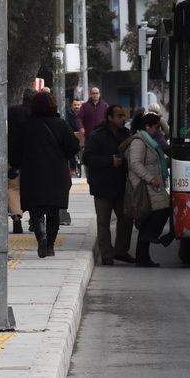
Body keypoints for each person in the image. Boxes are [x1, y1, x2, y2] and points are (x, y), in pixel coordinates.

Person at [13, 92, 79, 258]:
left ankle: (40, 237)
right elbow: (73, 147)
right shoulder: (61, 124)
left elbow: (15, 153)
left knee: (36, 210)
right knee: (53, 211)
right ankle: (50, 245)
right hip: (56, 174)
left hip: (32, 174)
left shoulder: (25, 126)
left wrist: (17, 165)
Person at [83, 105, 134, 265]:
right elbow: (88, 158)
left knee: (126, 218)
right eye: (119, 116)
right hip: (102, 186)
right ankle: (106, 255)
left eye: (124, 115)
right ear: (110, 118)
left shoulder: (126, 134)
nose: (123, 118)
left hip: (121, 185)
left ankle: (121, 250)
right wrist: (109, 161)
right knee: (103, 222)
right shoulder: (97, 136)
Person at [121, 113, 171, 267]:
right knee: (162, 210)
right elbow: (135, 164)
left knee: (150, 219)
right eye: (156, 127)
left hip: (153, 185)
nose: (159, 131)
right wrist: (150, 178)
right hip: (145, 186)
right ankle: (152, 239)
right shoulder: (139, 142)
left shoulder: (150, 141)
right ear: (147, 127)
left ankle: (144, 256)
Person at [7, 88, 37, 234]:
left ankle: (16, 218)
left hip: (14, 156)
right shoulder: (37, 114)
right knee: (33, 189)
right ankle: (34, 219)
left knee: (13, 188)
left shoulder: (13, 111)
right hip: (33, 158)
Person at [66, 98, 82, 176]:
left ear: (81, 105)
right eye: (75, 105)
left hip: (82, 134)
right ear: (72, 106)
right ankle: (72, 169)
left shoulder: (83, 113)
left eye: (78, 105)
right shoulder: (68, 114)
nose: (77, 106)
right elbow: (67, 124)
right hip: (72, 134)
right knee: (71, 150)